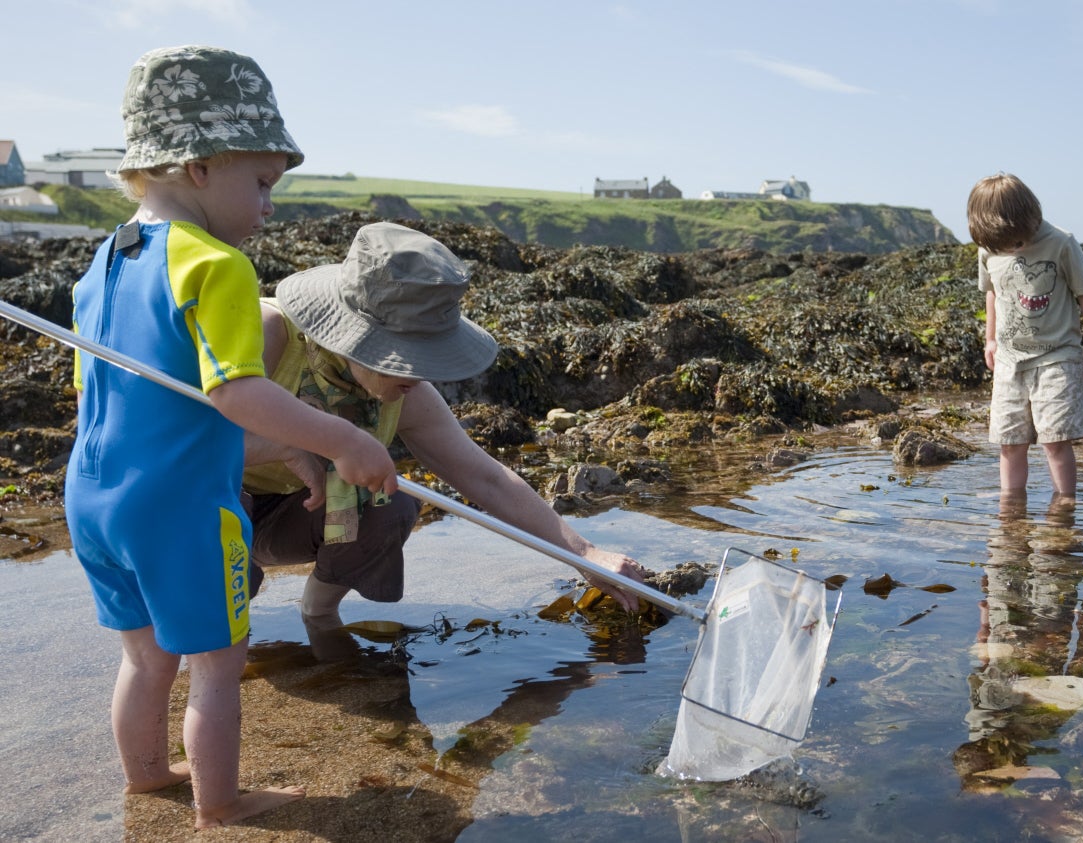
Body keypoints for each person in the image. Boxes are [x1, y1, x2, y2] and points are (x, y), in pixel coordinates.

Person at [65, 46, 400, 829]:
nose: (268, 206)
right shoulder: (215, 265)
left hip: (93, 495)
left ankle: (147, 774)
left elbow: (109, 393)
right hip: (180, 505)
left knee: (146, 658)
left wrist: (285, 446)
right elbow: (236, 390)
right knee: (218, 664)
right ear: (200, 166)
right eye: (262, 184)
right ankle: (222, 800)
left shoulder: (104, 261)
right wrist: (341, 440)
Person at [240, 221, 648, 646]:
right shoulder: (267, 335)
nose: (422, 372)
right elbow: (173, 450)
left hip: (298, 513)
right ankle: (216, 627)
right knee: (216, 528)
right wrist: (287, 443)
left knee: (392, 501)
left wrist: (584, 555)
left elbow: (486, 479)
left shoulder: (407, 392)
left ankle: (319, 614)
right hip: (214, 501)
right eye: (407, 356)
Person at [967, 172, 1083, 502]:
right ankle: (1011, 511)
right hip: (1009, 361)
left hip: (1057, 357)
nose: (1011, 249)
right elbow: (991, 293)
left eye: (1015, 243)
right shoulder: (988, 249)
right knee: (1009, 441)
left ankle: (1065, 508)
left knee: (1056, 439)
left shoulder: (1061, 242)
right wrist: (990, 339)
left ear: (1027, 219)